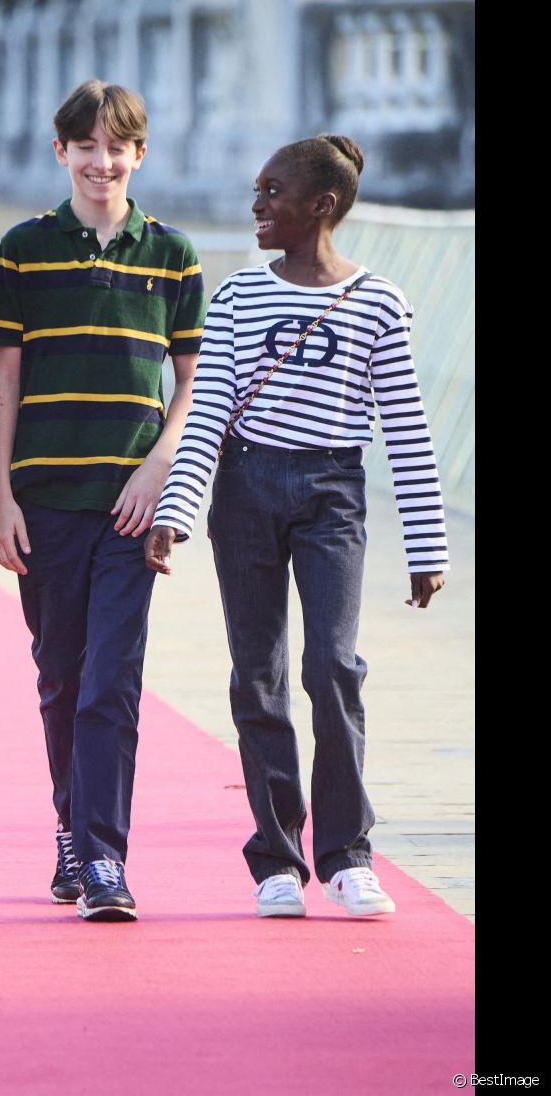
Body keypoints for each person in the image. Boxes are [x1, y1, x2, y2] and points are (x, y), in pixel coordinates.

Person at [145, 134, 449, 919]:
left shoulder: (379, 301)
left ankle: (348, 854)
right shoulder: (243, 296)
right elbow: (208, 409)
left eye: (271, 192)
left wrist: (427, 543)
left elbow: (407, 430)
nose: (256, 205)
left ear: (322, 206)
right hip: (245, 488)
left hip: (333, 493)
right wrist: (176, 512)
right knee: (258, 674)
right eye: (256, 190)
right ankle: (276, 859)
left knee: (334, 667)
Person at [0, 80, 206, 921]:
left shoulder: (174, 254)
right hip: (43, 500)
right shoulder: (24, 249)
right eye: (86, 147)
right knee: (60, 675)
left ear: (138, 155)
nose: (101, 162)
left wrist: (161, 469)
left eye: (117, 148)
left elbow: (192, 383)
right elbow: (3, 379)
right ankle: (70, 831)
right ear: (61, 153)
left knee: (111, 679)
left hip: (130, 504)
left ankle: (105, 858)